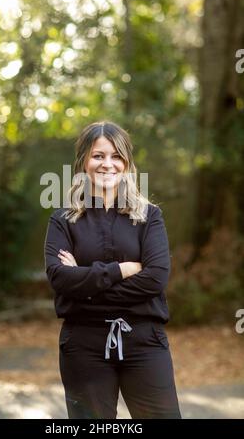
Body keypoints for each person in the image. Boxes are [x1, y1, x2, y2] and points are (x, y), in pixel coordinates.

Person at [44, 120, 181, 419]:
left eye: (116, 156)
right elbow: (59, 278)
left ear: (127, 163)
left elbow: (156, 279)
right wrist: (123, 269)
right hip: (83, 345)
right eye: (98, 155)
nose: (108, 164)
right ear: (83, 163)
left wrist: (85, 281)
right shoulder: (62, 220)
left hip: (145, 342)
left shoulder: (149, 217)